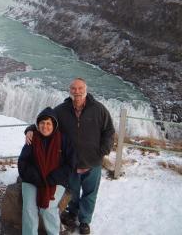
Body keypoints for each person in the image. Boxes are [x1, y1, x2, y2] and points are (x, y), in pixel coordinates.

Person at [25, 78, 115, 235]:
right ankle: (72, 214)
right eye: (73, 88)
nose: (77, 91)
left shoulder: (99, 109)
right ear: (69, 91)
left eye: (80, 88)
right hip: (71, 163)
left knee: (90, 193)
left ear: (86, 90)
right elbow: (46, 121)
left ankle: (85, 221)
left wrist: (102, 152)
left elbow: (109, 131)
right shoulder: (61, 110)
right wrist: (30, 129)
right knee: (72, 191)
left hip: (92, 162)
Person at [18, 107, 75, 235]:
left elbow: (70, 164)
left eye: (48, 123)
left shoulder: (63, 140)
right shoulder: (32, 138)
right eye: (42, 123)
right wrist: (36, 177)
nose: (45, 126)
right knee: (29, 208)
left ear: (54, 125)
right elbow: (22, 162)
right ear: (37, 124)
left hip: (55, 180)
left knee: (48, 208)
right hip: (32, 179)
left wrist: (51, 178)